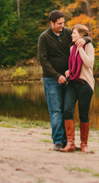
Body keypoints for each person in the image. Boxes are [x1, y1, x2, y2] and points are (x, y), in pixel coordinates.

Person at [37, 10, 87, 151]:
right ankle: (58, 141)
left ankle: (69, 142)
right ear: (51, 23)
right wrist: (56, 75)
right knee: (56, 110)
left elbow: (84, 35)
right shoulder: (44, 37)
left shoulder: (67, 33)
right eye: (59, 23)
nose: (62, 25)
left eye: (63, 23)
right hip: (51, 80)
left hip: (69, 80)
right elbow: (43, 60)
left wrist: (87, 40)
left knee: (67, 110)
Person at [60, 24, 95, 153]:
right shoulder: (71, 49)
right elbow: (74, 65)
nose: (72, 35)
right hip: (73, 83)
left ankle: (84, 145)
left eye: (74, 33)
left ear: (81, 35)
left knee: (83, 114)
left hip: (85, 84)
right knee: (67, 110)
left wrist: (81, 48)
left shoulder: (89, 46)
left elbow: (89, 63)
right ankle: (70, 144)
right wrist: (69, 71)